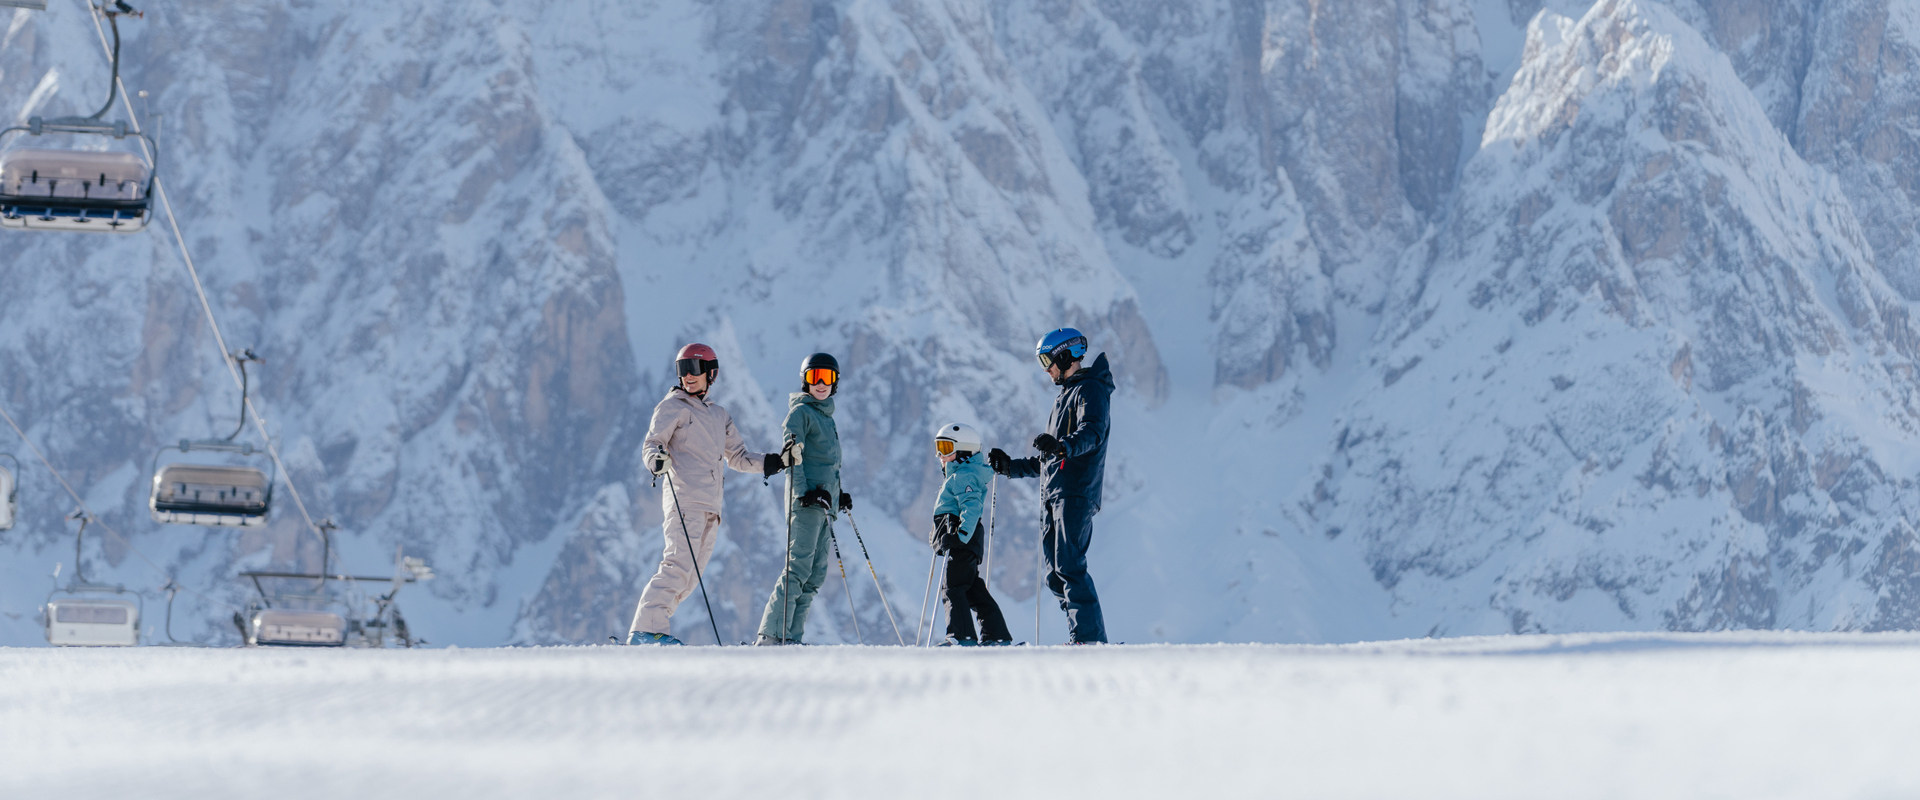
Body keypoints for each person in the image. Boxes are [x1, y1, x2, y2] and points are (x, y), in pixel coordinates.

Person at [628, 343, 787, 646]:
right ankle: (645, 632)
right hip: (685, 500)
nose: (688, 376)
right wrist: (656, 460)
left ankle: (653, 630)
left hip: (711, 509)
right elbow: (652, 444)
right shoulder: (672, 407)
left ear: (710, 374)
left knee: (690, 576)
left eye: (694, 369)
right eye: (682, 370)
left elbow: (737, 456)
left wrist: (771, 462)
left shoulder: (719, 416)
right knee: (677, 565)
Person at [988, 328, 1113, 644]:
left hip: (1075, 491)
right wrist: (1011, 467)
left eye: (1047, 359)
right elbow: (1048, 459)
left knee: (1070, 565)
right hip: (1053, 494)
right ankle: (1081, 634)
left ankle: (1090, 638)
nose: (1046, 369)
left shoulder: (1089, 390)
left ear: (1065, 355)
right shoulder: (1065, 396)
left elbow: (1092, 432)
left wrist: (1062, 447)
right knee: (1053, 574)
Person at [756, 352, 853, 645]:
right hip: (807, 503)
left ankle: (792, 637)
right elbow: (792, 457)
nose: (821, 384)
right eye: (814, 377)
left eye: (827, 378)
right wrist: (805, 493)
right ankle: (773, 635)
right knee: (798, 567)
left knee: (815, 575)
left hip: (825, 504)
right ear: (804, 381)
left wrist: (838, 496)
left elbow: (828, 464)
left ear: (835, 382)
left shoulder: (826, 416)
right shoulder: (800, 414)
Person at [929, 423, 1013, 646]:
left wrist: (959, 536)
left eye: (946, 448)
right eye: (938, 448)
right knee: (973, 589)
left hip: (963, 538)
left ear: (964, 451)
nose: (940, 455)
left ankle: (962, 636)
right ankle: (997, 635)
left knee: (953, 587)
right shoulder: (959, 475)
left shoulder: (964, 476)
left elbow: (971, 507)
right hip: (965, 539)